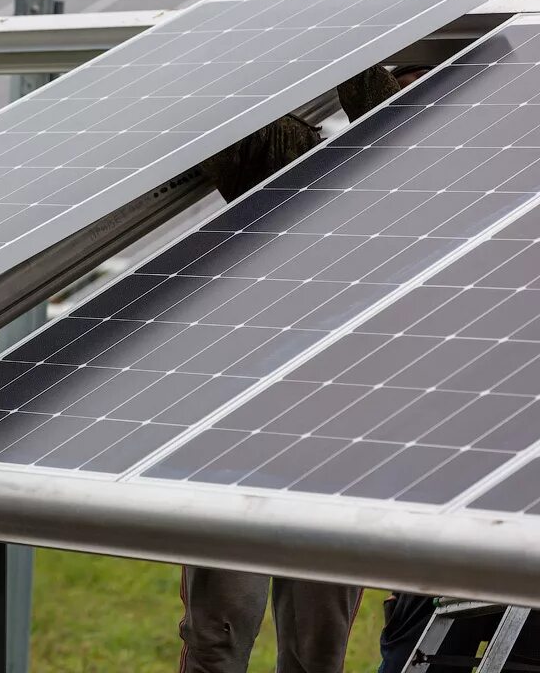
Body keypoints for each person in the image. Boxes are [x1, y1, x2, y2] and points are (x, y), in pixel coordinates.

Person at [180, 64, 430, 673]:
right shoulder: (288, 173)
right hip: (241, 444)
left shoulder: (421, 221)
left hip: (343, 452)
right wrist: (353, 58)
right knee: (216, 636)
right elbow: (228, 126)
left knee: (318, 649)